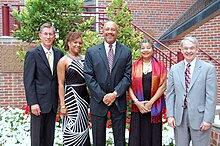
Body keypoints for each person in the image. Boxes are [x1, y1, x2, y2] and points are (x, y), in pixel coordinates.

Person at [83, 21, 132, 146]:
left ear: (117, 32)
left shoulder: (126, 52)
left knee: (120, 140)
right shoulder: (92, 52)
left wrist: (114, 94)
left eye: (113, 29)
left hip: (118, 101)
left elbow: (127, 76)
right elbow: (88, 75)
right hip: (99, 102)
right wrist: (102, 96)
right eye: (107, 29)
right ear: (103, 31)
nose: (110, 32)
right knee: (98, 140)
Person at [166, 36, 217, 146]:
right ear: (181, 50)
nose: (188, 51)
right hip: (180, 117)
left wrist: (208, 119)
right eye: (186, 48)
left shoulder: (208, 69)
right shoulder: (174, 69)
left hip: (200, 118)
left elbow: (211, 96)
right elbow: (170, 93)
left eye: (192, 48)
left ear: (197, 49)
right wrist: (170, 115)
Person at [23, 23, 64, 146]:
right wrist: (33, 103)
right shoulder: (33, 54)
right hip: (38, 103)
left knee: (49, 137)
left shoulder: (59, 54)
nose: (48, 37)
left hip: (52, 103)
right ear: (40, 35)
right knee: (37, 138)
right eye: (45, 34)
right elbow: (28, 81)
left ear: (54, 36)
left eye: (51, 34)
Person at [128, 39, 167, 146]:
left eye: (148, 47)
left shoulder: (160, 65)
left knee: (154, 137)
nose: (146, 50)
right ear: (139, 50)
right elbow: (129, 87)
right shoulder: (134, 66)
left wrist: (150, 102)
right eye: (143, 48)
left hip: (154, 107)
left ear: (153, 50)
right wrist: (137, 102)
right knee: (137, 137)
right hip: (138, 107)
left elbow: (163, 85)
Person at [57, 31, 91, 146]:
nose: (78, 45)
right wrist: (62, 105)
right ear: (69, 43)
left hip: (84, 96)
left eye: (80, 43)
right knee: (72, 126)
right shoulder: (63, 61)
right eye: (75, 42)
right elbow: (61, 84)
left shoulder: (85, 58)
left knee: (83, 126)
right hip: (71, 98)